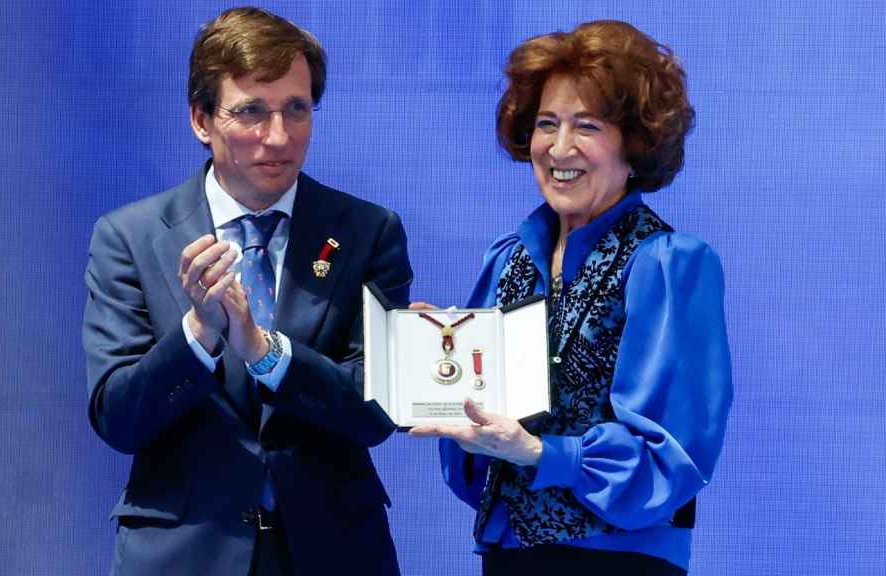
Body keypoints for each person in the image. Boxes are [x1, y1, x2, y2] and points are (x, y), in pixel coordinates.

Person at [82, 7, 411, 576]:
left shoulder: (366, 232)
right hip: (183, 554)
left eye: (297, 110)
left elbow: (377, 412)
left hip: (333, 552)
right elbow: (119, 418)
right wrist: (199, 334)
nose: (278, 137)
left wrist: (265, 352)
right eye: (251, 112)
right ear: (201, 120)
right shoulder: (130, 238)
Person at [409, 20, 732, 575]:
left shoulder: (668, 263)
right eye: (546, 124)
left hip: (620, 560)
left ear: (635, 143)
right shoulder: (508, 258)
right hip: (510, 554)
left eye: (588, 126)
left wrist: (540, 453)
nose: (560, 148)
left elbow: (671, 457)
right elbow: (473, 451)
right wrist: (438, 362)